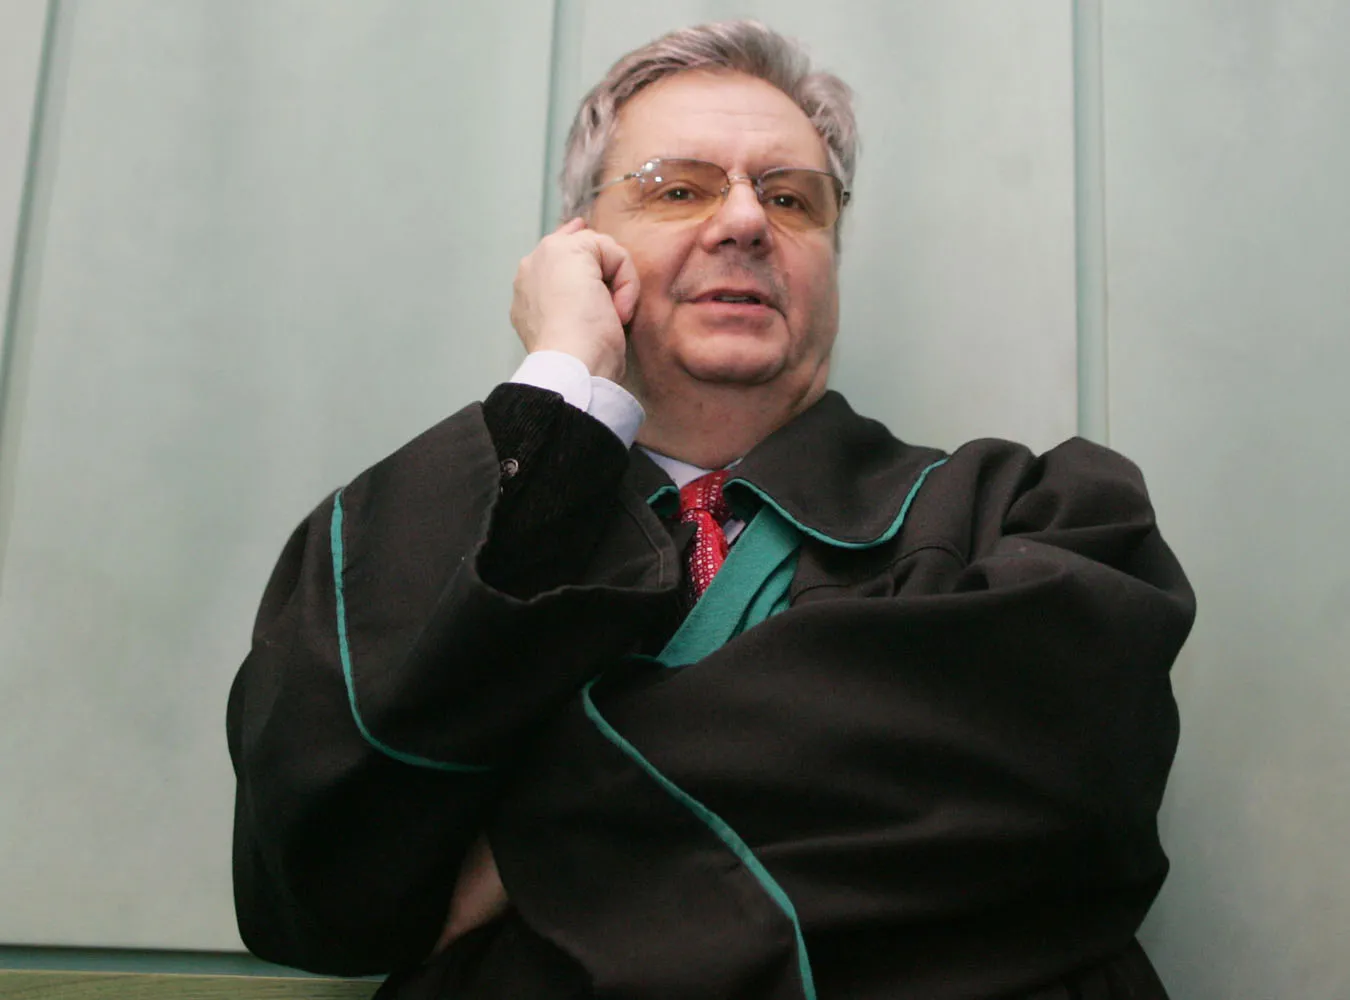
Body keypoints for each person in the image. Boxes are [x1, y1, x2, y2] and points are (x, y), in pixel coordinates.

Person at [227, 20, 1195, 1000]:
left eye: (791, 198)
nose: (744, 222)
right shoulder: (435, 538)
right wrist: (560, 383)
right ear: (578, 247)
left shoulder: (1020, 518)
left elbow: (1071, 790)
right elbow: (321, 880)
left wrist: (526, 843)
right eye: (678, 188)